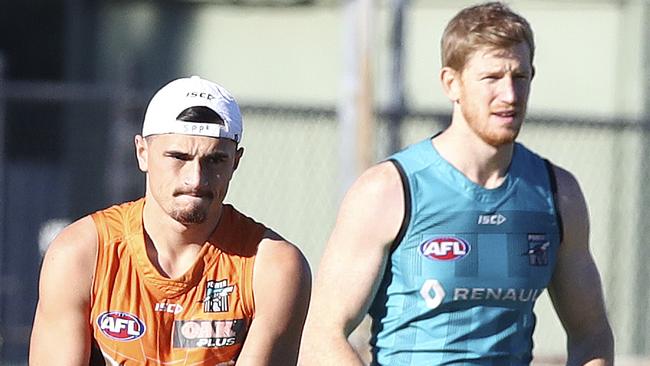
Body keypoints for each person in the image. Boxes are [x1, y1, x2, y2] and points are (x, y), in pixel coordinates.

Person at [299, 2, 613, 365]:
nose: (510, 95)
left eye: (520, 77)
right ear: (452, 83)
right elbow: (322, 335)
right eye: (492, 78)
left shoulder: (558, 193)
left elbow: (592, 335)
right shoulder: (389, 189)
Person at [29, 76, 311, 365]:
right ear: (142, 153)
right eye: (178, 156)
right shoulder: (82, 254)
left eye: (215, 160)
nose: (195, 179)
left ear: (235, 162)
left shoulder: (272, 267)